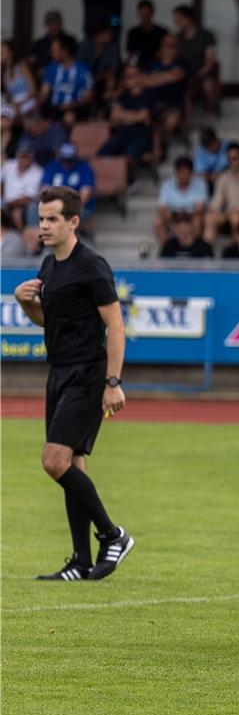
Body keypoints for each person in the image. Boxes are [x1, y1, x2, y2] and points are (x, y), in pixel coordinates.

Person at [13, 186, 133, 581]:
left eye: (51, 219)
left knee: (54, 461)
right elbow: (48, 320)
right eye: (41, 218)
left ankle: (113, 535)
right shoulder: (49, 266)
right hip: (59, 372)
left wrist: (112, 382)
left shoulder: (91, 265)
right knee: (72, 464)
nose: (43, 226)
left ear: (73, 222)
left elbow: (115, 327)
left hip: (87, 373)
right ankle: (81, 560)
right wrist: (26, 302)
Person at [143, 35, 189, 157]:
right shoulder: (151, 64)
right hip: (153, 104)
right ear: (161, 48)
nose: (170, 49)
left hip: (174, 106)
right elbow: (143, 80)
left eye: (173, 46)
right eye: (167, 45)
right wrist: (166, 77)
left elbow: (176, 76)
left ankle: (159, 146)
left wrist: (155, 78)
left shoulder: (182, 64)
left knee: (171, 120)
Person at [173, 5, 221, 119]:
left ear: (188, 18)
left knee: (208, 85)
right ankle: (186, 121)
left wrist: (198, 74)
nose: (176, 22)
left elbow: (210, 61)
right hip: (184, 73)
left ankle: (210, 112)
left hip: (202, 72)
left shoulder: (205, 35)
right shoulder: (178, 38)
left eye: (179, 19)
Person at [98, 65, 154, 163]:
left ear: (140, 76)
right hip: (121, 135)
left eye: (132, 76)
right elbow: (114, 116)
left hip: (140, 137)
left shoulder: (148, 96)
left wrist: (123, 117)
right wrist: (134, 116)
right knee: (102, 153)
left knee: (129, 155)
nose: (129, 79)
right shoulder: (122, 97)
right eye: (127, 77)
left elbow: (142, 116)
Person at [39, 37, 94, 127]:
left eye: (54, 50)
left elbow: (89, 96)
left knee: (69, 117)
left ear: (65, 51)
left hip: (76, 108)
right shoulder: (51, 68)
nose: (51, 52)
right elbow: (43, 94)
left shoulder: (83, 69)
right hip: (54, 108)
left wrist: (71, 105)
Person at [41, 144, 96, 234]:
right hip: (54, 205)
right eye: (64, 160)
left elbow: (86, 192)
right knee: (35, 209)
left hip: (78, 207)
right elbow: (45, 189)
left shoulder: (84, 168)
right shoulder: (52, 166)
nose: (66, 163)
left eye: (70, 160)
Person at [156, 157, 208, 245]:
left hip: (191, 214)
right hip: (173, 216)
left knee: (197, 220)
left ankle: (193, 248)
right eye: (181, 173)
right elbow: (162, 207)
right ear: (176, 173)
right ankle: (167, 249)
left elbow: (200, 207)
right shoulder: (166, 185)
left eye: (186, 173)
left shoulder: (200, 184)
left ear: (192, 173)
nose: (183, 176)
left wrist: (185, 214)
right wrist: (173, 219)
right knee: (158, 221)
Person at [2, 144, 45, 230]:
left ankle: (23, 237)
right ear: (18, 156)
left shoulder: (38, 171)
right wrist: (3, 198)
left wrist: (8, 203)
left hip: (22, 204)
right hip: (4, 200)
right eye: (22, 156)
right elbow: (1, 182)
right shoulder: (8, 165)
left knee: (17, 213)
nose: (24, 159)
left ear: (32, 158)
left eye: (27, 157)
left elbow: (28, 198)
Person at [77, 23, 121, 106]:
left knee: (111, 77)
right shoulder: (86, 45)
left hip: (103, 77)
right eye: (107, 34)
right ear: (98, 35)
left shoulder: (113, 46)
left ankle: (108, 103)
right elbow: (80, 65)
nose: (110, 36)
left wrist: (99, 76)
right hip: (86, 76)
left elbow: (113, 67)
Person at [125, 0, 167, 68]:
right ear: (138, 13)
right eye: (143, 14)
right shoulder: (133, 32)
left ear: (152, 13)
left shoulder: (161, 32)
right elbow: (131, 53)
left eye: (147, 14)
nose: (145, 17)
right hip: (138, 66)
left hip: (158, 66)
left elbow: (166, 52)